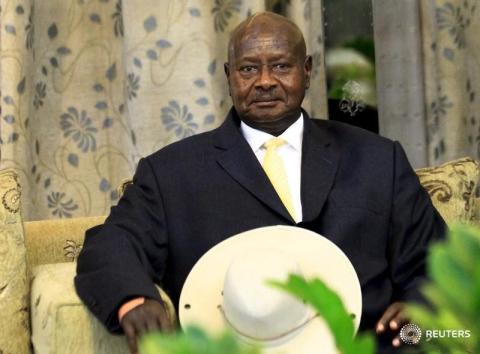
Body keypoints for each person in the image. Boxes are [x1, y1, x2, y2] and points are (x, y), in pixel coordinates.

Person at [75, 12, 446, 354]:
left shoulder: (378, 159)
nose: (265, 82)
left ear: (307, 70)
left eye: (281, 66)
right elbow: (110, 245)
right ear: (228, 75)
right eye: (249, 68)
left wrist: (424, 316)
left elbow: (436, 263)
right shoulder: (172, 173)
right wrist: (133, 301)